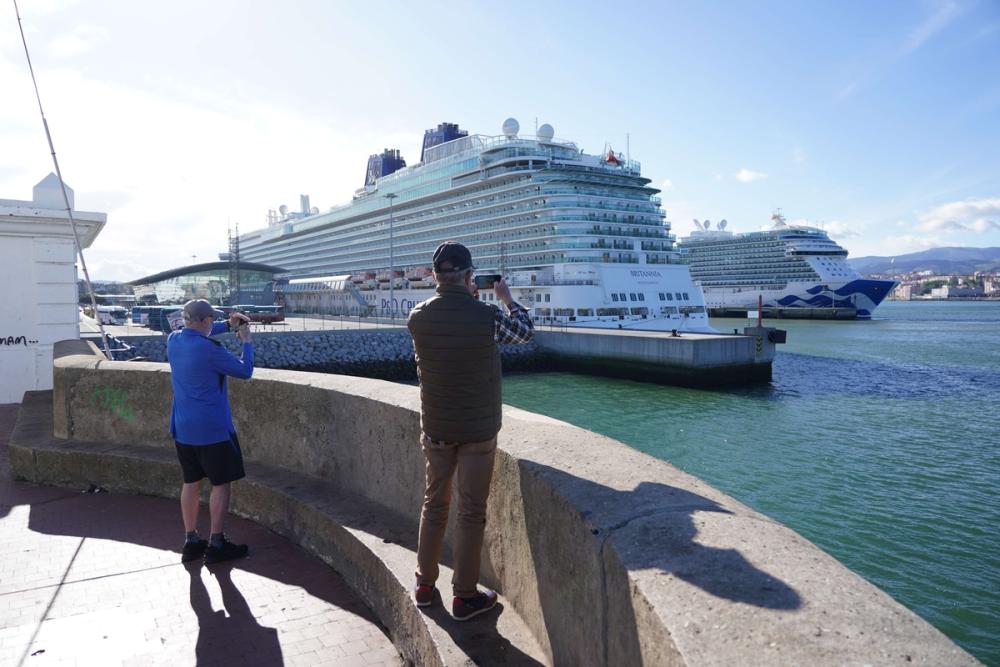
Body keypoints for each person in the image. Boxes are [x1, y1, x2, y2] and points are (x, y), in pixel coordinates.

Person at [407, 241, 534, 621]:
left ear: (433, 277)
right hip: (478, 433)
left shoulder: (417, 316)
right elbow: (525, 332)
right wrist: (507, 299)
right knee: (471, 512)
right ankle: (464, 595)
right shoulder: (487, 316)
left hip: (437, 429)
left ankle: (424, 586)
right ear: (469, 276)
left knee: (434, 506)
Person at [167, 299, 254, 565]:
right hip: (213, 430)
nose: (213, 324)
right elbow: (245, 371)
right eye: (212, 320)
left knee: (191, 482)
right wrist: (246, 340)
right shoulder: (209, 350)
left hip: (183, 428)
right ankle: (216, 543)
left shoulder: (173, 340)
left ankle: (191, 539)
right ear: (205, 321)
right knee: (220, 484)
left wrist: (228, 325)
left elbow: (199, 331)